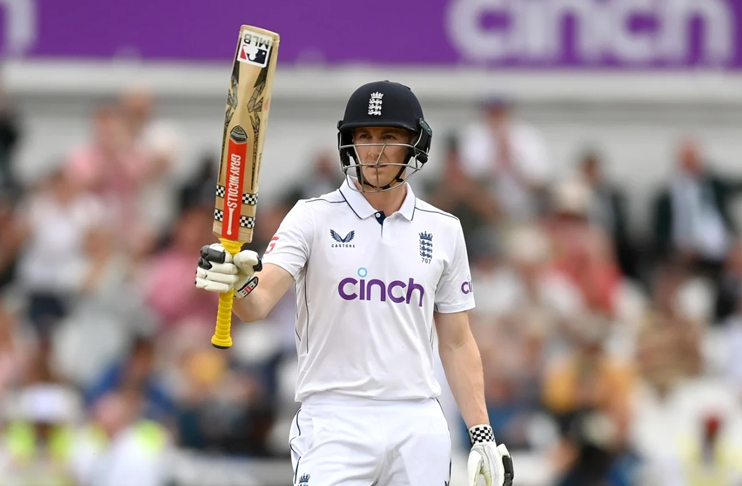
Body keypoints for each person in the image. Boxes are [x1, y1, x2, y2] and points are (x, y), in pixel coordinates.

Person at [195, 81, 513, 486]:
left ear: (415, 143)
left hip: (417, 419)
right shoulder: (311, 217)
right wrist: (235, 283)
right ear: (349, 143)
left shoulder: (444, 229)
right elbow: (256, 304)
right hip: (333, 418)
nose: (375, 151)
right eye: (364, 136)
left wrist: (481, 434)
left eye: (389, 137)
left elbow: (456, 341)